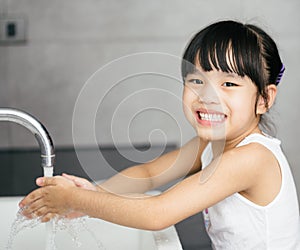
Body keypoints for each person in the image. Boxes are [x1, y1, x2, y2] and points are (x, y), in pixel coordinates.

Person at [19, 20, 299, 249]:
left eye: (228, 83)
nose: (208, 96)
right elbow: (150, 173)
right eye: (197, 81)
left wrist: (76, 200)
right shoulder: (211, 144)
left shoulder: (253, 158)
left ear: (264, 99)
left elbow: (157, 213)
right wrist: (95, 193)